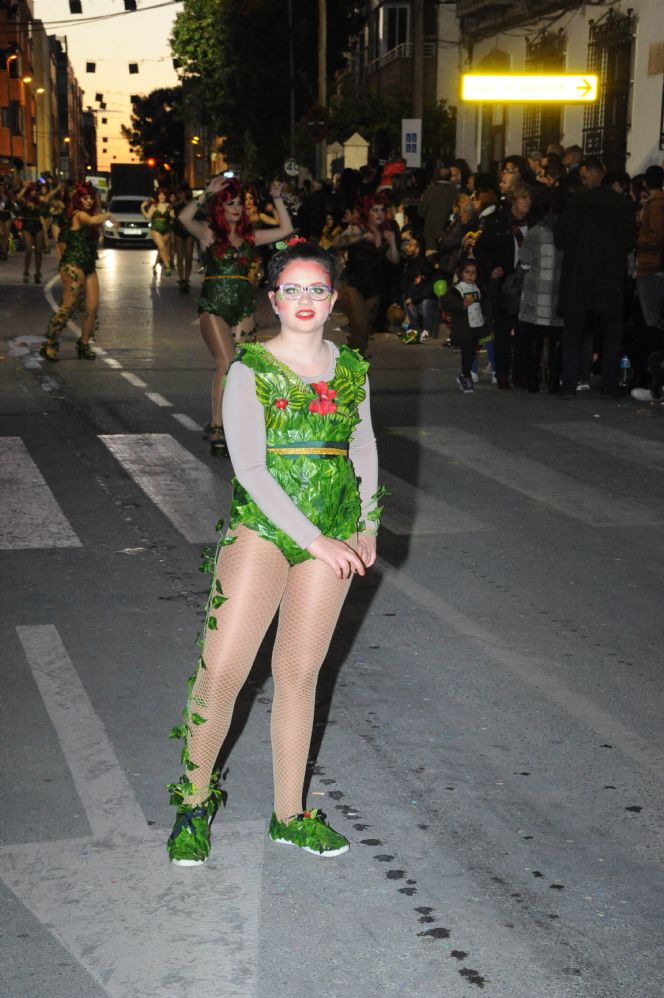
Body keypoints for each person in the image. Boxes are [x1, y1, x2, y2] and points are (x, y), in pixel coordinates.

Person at [166, 239, 385, 865]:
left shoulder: (350, 369)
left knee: (298, 674)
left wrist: (368, 526)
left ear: (334, 297)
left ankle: (290, 814)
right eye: (293, 289)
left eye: (318, 288)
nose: (306, 300)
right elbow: (252, 470)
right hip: (263, 531)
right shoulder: (249, 369)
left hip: (334, 531)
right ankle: (194, 800)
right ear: (273, 299)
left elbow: (364, 447)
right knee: (223, 671)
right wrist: (313, 539)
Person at [178, 175, 292, 455]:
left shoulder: (250, 237)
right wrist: (206, 192)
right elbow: (183, 218)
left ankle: (235, 423)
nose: (237, 207)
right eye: (230, 203)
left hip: (242, 306)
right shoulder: (208, 233)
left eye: (240, 202)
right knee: (226, 363)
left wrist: (277, 198)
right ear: (221, 207)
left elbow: (286, 229)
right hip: (214, 305)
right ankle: (218, 428)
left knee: (241, 370)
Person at [554, 156, 636, 396]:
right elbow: (629, 238)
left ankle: (569, 383)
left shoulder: (576, 202)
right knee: (611, 333)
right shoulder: (619, 205)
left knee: (573, 334)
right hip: (608, 280)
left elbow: (561, 238)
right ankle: (609, 384)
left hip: (578, 279)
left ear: (589, 173)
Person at [39, 182, 115, 362]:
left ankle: (84, 343)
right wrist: (109, 214)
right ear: (79, 200)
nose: (88, 201)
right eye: (85, 198)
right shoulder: (79, 215)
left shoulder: (91, 215)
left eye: (90, 198)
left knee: (92, 307)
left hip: (88, 264)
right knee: (69, 304)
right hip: (73, 264)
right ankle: (50, 343)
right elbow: (92, 221)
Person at [334, 193, 399, 357]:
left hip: (374, 286)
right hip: (353, 283)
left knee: (365, 329)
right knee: (359, 324)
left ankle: (356, 356)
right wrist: (361, 237)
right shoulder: (358, 228)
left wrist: (392, 242)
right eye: (374, 210)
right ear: (367, 212)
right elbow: (337, 242)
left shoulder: (386, 232)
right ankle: (355, 363)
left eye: (382, 210)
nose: (379, 214)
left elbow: (394, 260)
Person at [442, 257, 491, 393]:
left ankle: (464, 375)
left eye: (473, 272)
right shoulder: (456, 289)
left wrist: (487, 320)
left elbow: (485, 304)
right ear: (461, 273)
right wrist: (462, 304)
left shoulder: (479, 287)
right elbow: (446, 304)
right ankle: (466, 376)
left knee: (471, 352)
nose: (470, 275)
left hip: (477, 325)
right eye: (467, 272)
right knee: (467, 353)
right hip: (464, 327)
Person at [418, 166, 457, 253]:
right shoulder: (456, 192)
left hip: (431, 233)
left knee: (431, 259)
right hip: (450, 233)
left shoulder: (430, 191)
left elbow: (421, 212)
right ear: (450, 177)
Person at [16, 181, 47, 283]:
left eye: (35, 190)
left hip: (37, 226)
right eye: (32, 190)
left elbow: (47, 200)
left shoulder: (39, 199)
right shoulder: (24, 200)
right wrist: (25, 187)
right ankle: (26, 271)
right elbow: (18, 197)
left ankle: (38, 273)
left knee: (38, 251)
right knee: (29, 249)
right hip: (27, 226)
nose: (34, 192)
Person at [141, 188, 174, 275]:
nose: (161, 196)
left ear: (166, 196)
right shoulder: (154, 206)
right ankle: (168, 267)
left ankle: (155, 265)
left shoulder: (169, 206)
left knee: (161, 249)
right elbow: (147, 216)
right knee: (162, 246)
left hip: (167, 230)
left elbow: (173, 218)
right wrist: (142, 207)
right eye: (160, 195)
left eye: (163, 194)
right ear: (157, 196)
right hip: (156, 229)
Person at [172, 184, 195, 293]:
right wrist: (180, 202)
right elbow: (172, 209)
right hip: (178, 231)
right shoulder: (176, 202)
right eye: (180, 192)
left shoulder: (192, 202)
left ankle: (187, 278)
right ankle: (181, 279)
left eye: (184, 192)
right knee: (180, 256)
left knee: (189, 257)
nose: (182, 194)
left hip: (189, 231)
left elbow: (196, 211)